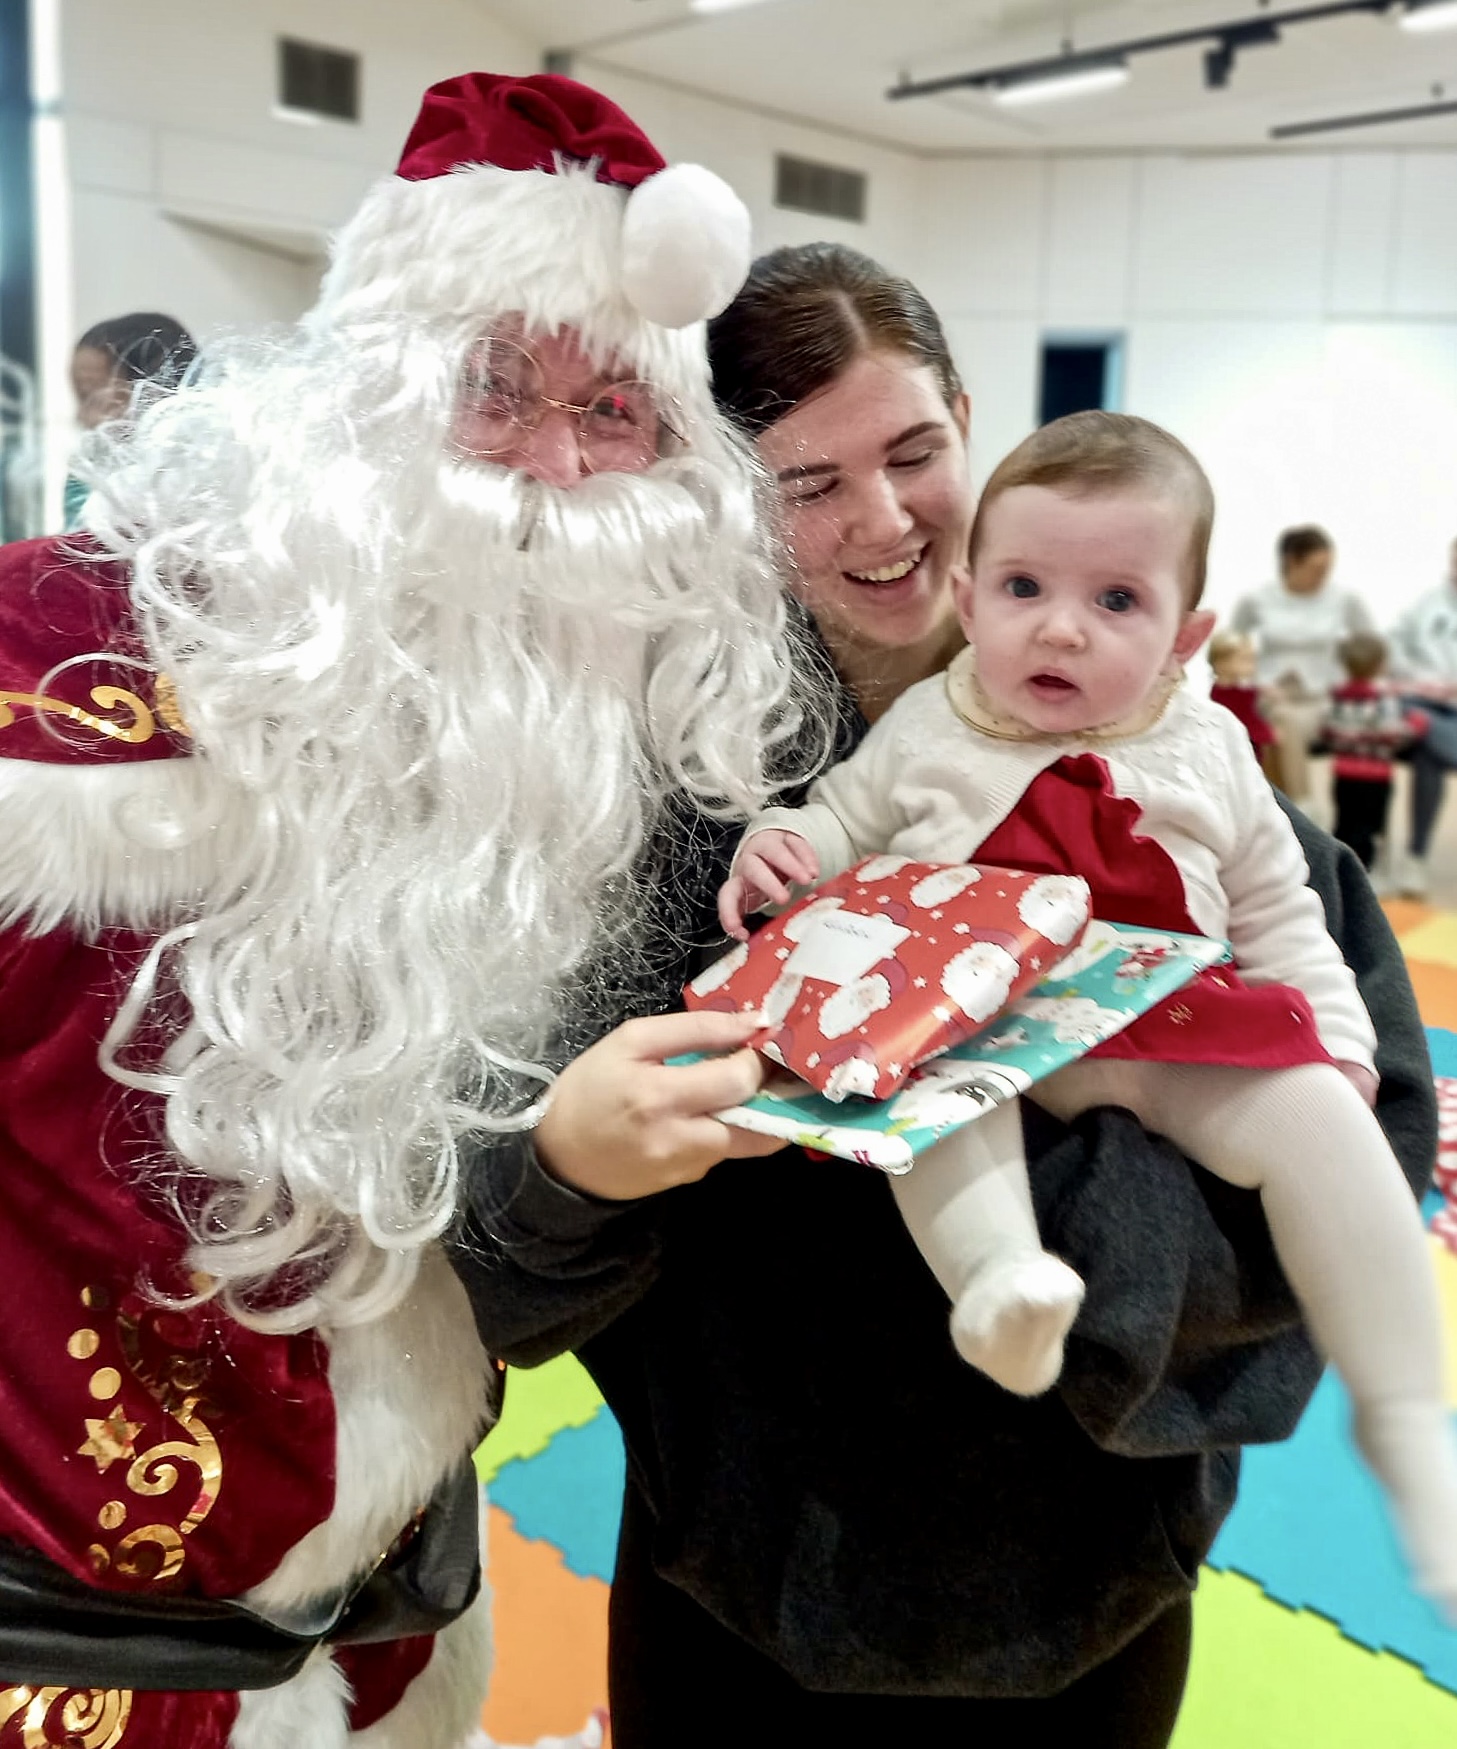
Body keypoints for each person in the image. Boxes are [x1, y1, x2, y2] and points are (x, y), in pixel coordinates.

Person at [454, 243, 1435, 1748]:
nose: (887, 517)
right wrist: (572, 1166)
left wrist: (1061, 1172)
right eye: (806, 483)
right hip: (731, 1594)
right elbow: (497, 1283)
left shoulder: (1203, 798)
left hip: (1083, 1600)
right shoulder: (671, 847)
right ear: (729, 501)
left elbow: (1348, 1178)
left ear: (971, 428)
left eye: (916, 453)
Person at [0, 72, 798, 1748]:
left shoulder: (589, 750)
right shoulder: (50, 667)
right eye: (495, 389)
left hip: (392, 1599)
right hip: (71, 1639)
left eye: (617, 413)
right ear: (362, 396)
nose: (554, 468)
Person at [721, 411, 1457, 1615]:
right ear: (967, 594)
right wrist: (777, 848)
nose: (1057, 626)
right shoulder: (930, 729)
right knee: (923, 1107)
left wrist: (1337, 1045)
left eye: (1116, 602)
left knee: (1322, 1119)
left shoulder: (1207, 749)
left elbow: (1280, 913)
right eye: (1022, 586)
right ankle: (1000, 1285)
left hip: (1167, 1030)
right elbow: (834, 819)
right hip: (979, 1028)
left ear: (1186, 637)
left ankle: (1403, 1402)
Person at [1230, 524, 1374, 804]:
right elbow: (1231, 649)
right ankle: (1301, 804)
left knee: (1359, 721)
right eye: (1317, 568)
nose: (1324, 575)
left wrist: (1356, 677)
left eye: (1328, 567)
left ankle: (1307, 811)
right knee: (1284, 719)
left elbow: (1371, 648)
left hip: (1324, 698)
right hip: (1273, 696)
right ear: (1291, 561)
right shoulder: (1257, 600)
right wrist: (1250, 681)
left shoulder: (1344, 599)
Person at [65, 312, 197, 528]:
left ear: (153, 393)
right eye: (80, 397)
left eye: (89, 395)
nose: (81, 416)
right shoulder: (88, 475)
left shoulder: (197, 478)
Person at [1388, 537, 1457, 897]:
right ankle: (1415, 857)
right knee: (1421, 730)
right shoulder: (1428, 605)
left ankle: (1416, 856)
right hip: (1426, 702)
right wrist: (1421, 680)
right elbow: (1394, 646)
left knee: (1426, 747)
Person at [1324, 631, 1426, 872]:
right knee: (1370, 828)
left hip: (1343, 774)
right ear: (1381, 665)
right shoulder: (1382, 699)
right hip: (1375, 777)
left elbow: (1326, 731)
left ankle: (1340, 868)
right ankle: (1364, 874)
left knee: (1345, 823)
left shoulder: (1336, 696)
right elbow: (1392, 735)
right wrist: (1417, 724)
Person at [1206, 627, 1277, 778]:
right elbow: (1247, 720)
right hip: (1243, 746)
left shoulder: (1241, 690)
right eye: (1245, 659)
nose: (1252, 665)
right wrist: (1270, 733)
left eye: (1252, 659)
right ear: (1221, 663)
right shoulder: (1224, 694)